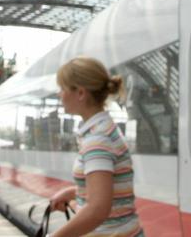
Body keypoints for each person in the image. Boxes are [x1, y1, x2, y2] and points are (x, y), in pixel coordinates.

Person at [49, 56, 143, 237]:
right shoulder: (103, 129)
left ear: (80, 93)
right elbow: (108, 192)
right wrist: (72, 193)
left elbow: (97, 209)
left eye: (63, 89)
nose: (59, 94)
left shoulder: (97, 139)